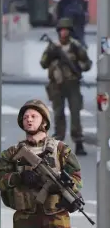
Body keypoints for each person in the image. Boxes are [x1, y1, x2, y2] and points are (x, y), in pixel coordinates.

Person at [0, 99, 82, 228]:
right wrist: (19, 177)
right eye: (25, 117)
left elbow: (76, 179)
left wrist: (67, 191)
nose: (29, 120)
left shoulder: (61, 150)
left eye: (34, 116)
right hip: (26, 219)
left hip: (56, 218)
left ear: (44, 122)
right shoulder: (12, 153)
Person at [40, 17, 92, 156]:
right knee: (58, 115)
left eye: (66, 30)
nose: (64, 33)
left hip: (73, 84)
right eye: (62, 30)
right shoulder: (53, 46)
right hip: (56, 85)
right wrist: (52, 54)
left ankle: (78, 142)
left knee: (75, 114)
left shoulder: (76, 46)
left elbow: (87, 64)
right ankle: (58, 144)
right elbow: (43, 63)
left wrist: (76, 67)